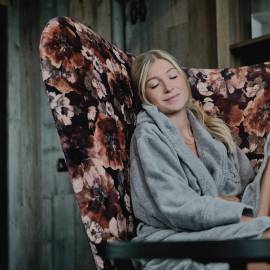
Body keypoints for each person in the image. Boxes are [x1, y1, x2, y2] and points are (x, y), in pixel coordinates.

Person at [129, 49, 270, 270]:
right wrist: (225, 207)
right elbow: (175, 206)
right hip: (177, 236)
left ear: (184, 80)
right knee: (262, 241)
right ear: (145, 97)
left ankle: (260, 228)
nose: (168, 87)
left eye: (173, 76)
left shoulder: (211, 132)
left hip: (231, 220)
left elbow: (246, 184)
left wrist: (244, 212)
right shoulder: (148, 136)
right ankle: (259, 231)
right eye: (155, 85)